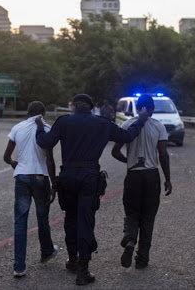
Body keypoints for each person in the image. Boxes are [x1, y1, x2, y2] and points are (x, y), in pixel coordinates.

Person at [35, 93, 148, 286]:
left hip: (68, 176)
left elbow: (44, 142)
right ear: (91, 106)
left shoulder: (64, 122)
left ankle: (72, 260)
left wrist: (39, 128)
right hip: (89, 177)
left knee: (70, 218)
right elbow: (127, 136)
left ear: (74, 106)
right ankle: (83, 271)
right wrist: (140, 121)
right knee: (85, 221)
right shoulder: (102, 123)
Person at [111, 94, 172, 270]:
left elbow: (115, 152)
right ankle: (142, 259)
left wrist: (129, 161)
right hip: (151, 176)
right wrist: (167, 179)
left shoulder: (127, 125)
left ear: (138, 108)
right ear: (152, 108)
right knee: (148, 217)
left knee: (131, 212)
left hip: (133, 175)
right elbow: (164, 155)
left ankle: (130, 239)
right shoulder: (159, 126)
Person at [3, 101, 59, 278]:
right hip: (40, 177)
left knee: (20, 221)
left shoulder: (17, 127)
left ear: (28, 113)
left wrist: (13, 164)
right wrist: (53, 183)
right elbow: (49, 160)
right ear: (42, 113)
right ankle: (46, 251)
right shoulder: (47, 129)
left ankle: (19, 267)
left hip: (21, 177)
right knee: (42, 217)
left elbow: (6, 156)